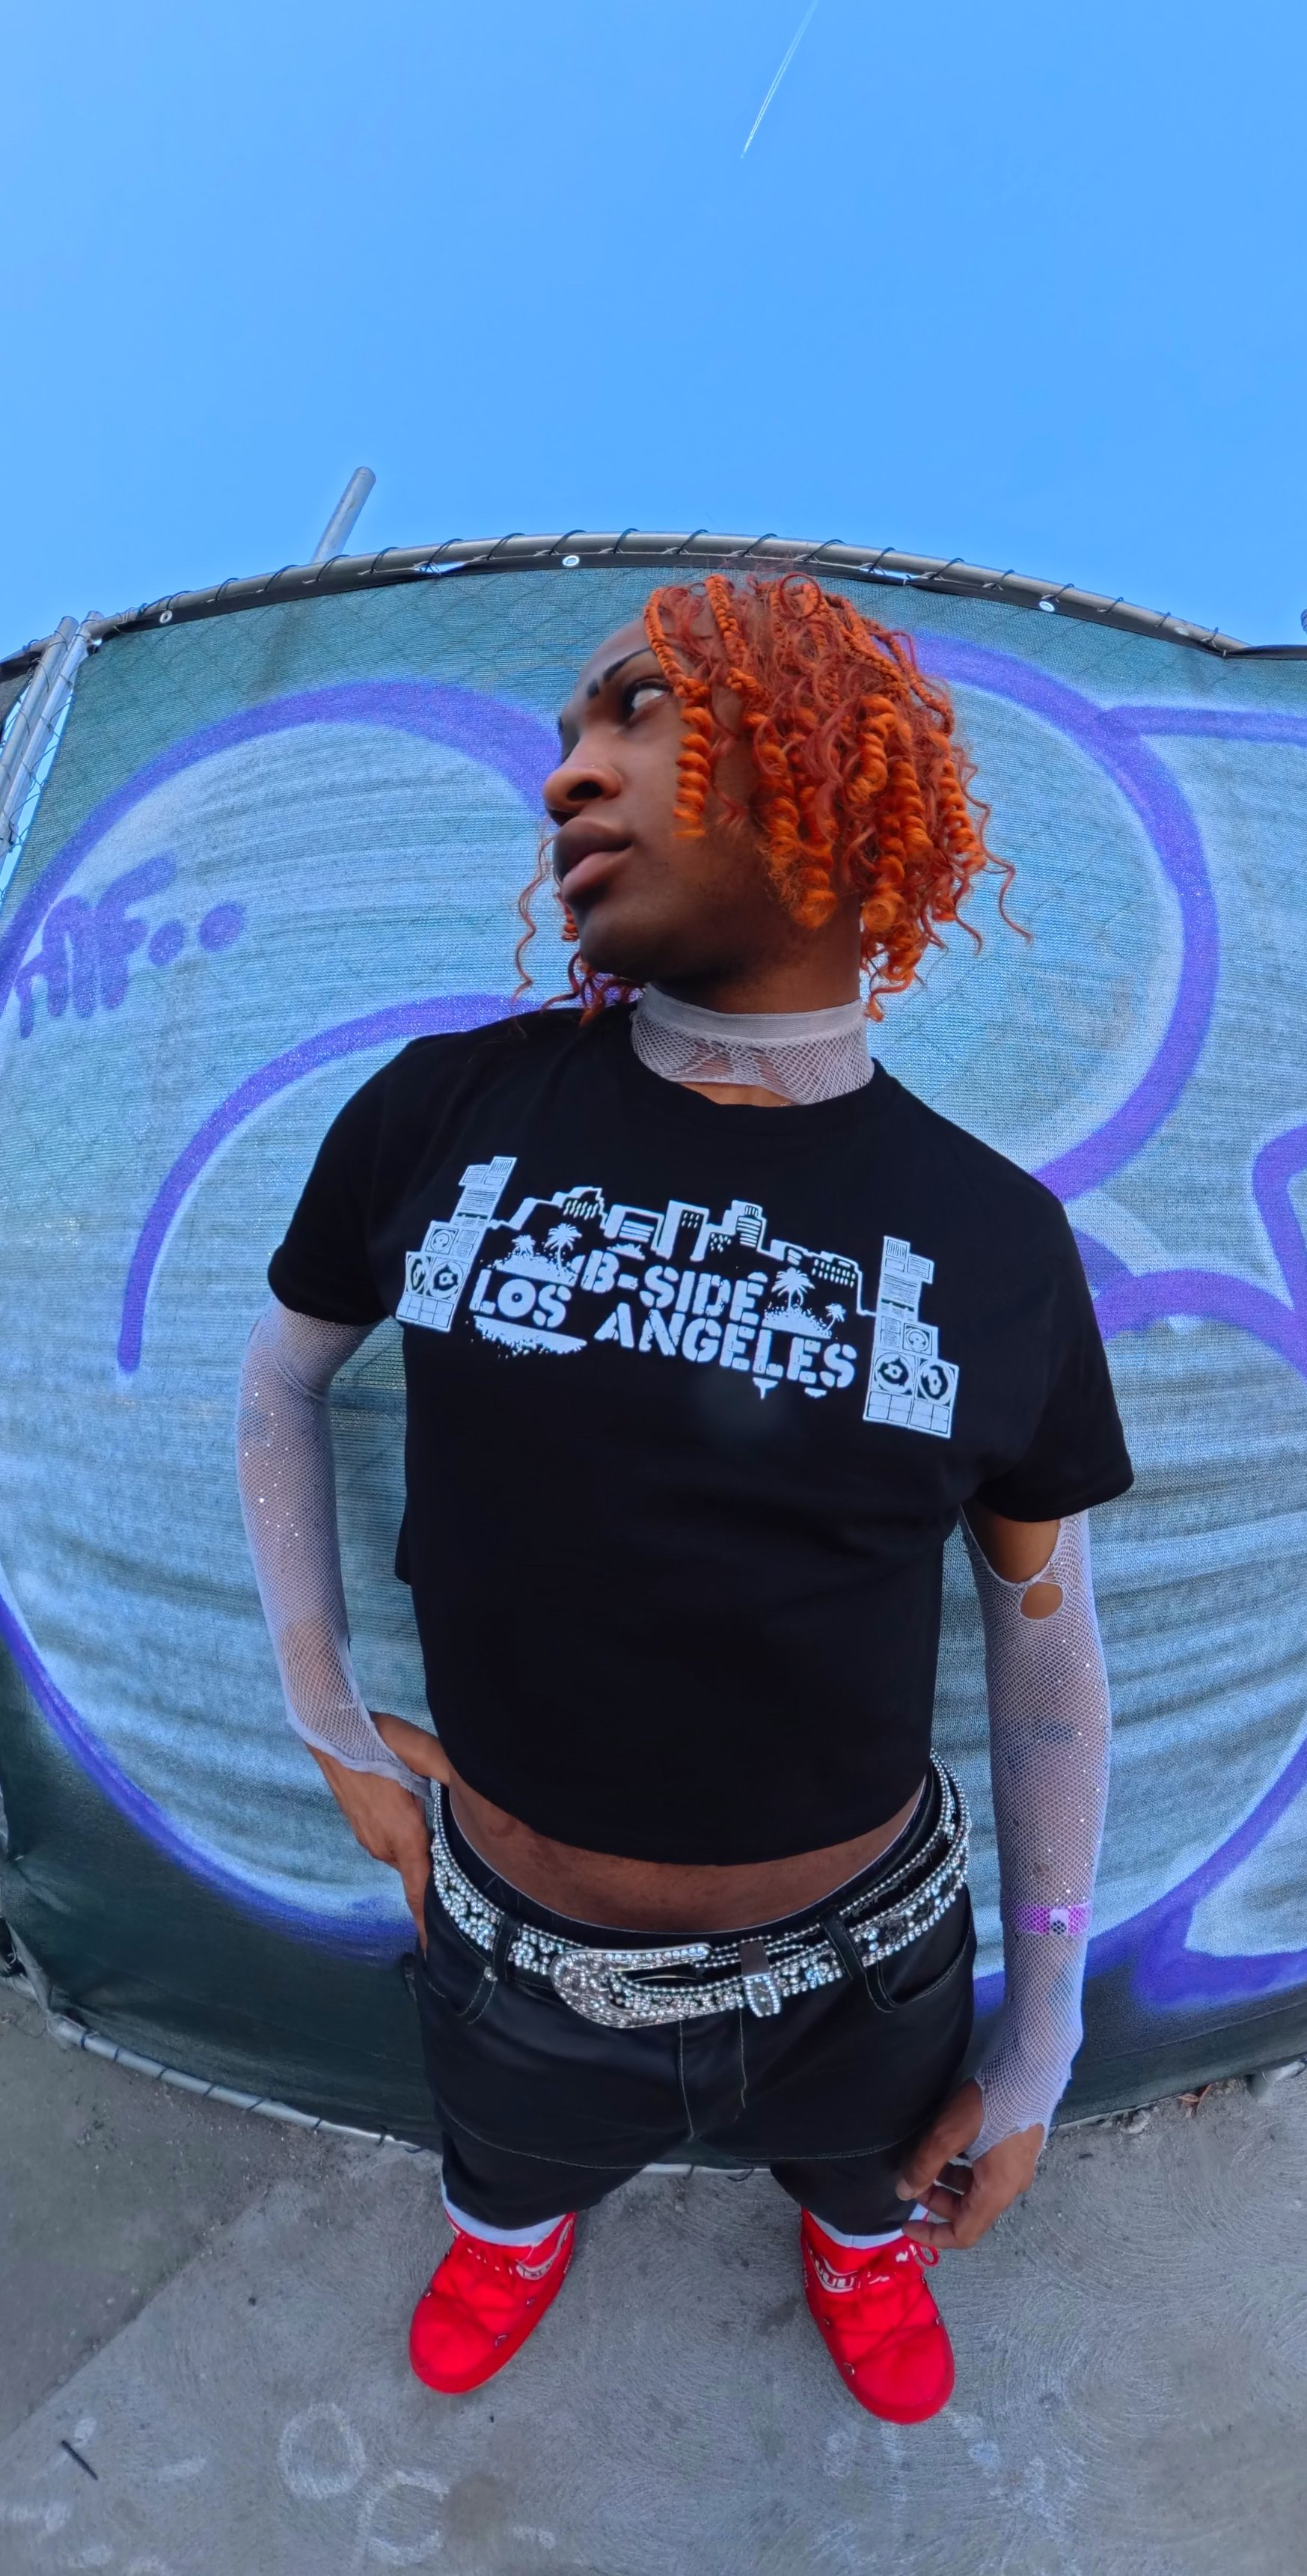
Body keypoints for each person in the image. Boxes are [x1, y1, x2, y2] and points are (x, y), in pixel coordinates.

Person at [237, 572, 1131, 2428]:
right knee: (503, 2163)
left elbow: (1043, 1638)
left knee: (873, 2180)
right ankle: (512, 2233)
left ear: (830, 777)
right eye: (568, 731)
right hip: (509, 1947)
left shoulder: (993, 1236)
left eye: (640, 711)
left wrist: (1041, 2031)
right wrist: (325, 1717)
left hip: (869, 1966)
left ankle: (857, 2249)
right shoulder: (446, 1110)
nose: (569, 770)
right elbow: (281, 1377)